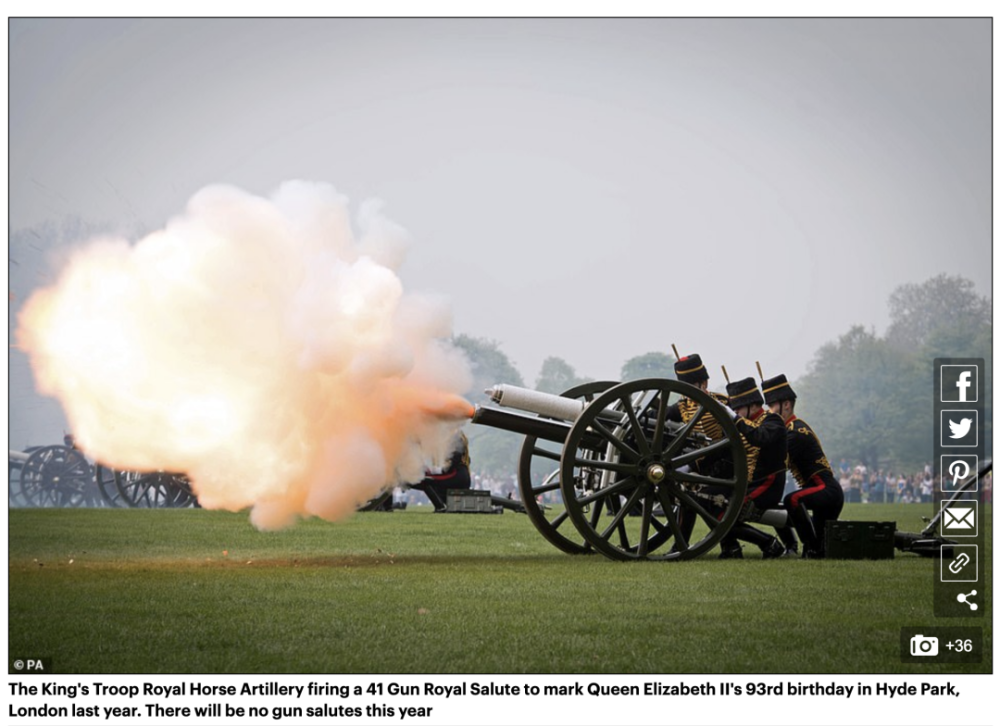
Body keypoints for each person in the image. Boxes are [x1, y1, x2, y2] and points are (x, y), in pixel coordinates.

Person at [762, 374, 844, 558]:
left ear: (787, 405)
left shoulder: (795, 432)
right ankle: (805, 548)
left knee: (792, 500)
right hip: (818, 488)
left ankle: (809, 547)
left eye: (772, 406)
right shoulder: (789, 430)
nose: (768, 412)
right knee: (823, 549)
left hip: (824, 489)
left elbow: (774, 461)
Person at [717, 376, 787, 559]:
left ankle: (769, 543)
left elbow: (759, 437)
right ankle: (730, 548)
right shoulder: (742, 424)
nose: (737, 413)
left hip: (767, 484)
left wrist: (736, 420)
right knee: (712, 505)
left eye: (738, 408)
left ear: (753, 405)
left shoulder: (773, 421)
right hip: (746, 483)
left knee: (728, 515)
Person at [410, 431, 471, 511]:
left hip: (456, 475)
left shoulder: (456, 437)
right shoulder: (458, 436)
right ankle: (441, 505)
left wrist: (442, 469)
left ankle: (439, 507)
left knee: (428, 480)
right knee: (431, 481)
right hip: (460, 474)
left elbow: (455, 457)